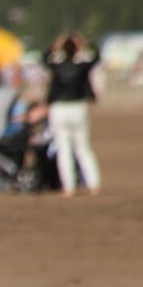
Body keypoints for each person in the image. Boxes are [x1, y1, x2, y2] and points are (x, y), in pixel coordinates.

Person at [44, 33, 102, 195]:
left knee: (64, 149)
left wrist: (56, 44)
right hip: (78, 107)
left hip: (59, 108)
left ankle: (68, 187)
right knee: (83, 147)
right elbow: (97, 57)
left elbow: (44, 57)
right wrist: (84, 43)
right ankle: (93, 184)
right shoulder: (82, 66)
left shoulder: (56, 65)